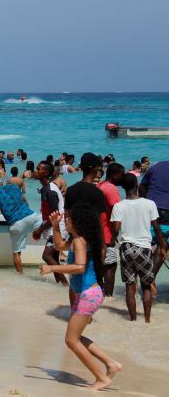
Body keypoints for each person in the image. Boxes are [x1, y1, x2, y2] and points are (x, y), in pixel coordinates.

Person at [40, 207, 122, 391]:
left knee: (71, 340)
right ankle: (111, 365)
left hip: (88, 295)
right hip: (87, 295)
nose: (65, 221)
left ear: (77, 223)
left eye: (67, 219)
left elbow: (79, 267)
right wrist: (55, 226)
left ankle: (101, 377)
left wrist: (52, 268)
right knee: (76, 337)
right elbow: (59, 245)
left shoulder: (79, 242)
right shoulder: (76, 240)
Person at [112, 174, 165, 322]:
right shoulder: (149, 204)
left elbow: (116, 228)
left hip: (126, 247)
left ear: (123, 187)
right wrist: (162, 246)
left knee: (130, 286)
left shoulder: (118, 206)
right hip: (144, 248)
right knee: (146, 285)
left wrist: (112, 239)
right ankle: (147, 320)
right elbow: (156, 227)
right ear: (136, 184)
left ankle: (133, 320)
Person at [64, 153, 109, 291]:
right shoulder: (97, 193)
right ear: (96, 169)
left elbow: (67, 218)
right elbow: (100, 221)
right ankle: (87, 311)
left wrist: (72, 239)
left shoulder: (71, 190)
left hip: (76, 240)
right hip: (93, 241)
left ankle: (74, 311)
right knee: (93, 279)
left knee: (75, 280)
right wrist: (103, 245)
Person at [0, 178, 42, 273]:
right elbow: (25, 201)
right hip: (31, 216)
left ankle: (20, 275)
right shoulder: (14, 186)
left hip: (16, 223)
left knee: (16, 253)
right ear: (1, 183)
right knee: (50, 231)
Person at [32, 161, 69, 286]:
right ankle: (60, 285)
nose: (35, 171)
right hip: (54, 226)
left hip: (58, 227)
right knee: (54, 258)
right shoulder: (46, 188)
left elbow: (55, 215)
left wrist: (39, 230)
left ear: (46, 173)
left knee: (46, 256)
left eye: (38, 169)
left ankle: (65, 284)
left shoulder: (50, 191)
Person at [139, 160, 169, 285]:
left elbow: (141, 186)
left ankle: (141, 278)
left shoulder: (156, 166)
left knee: (147, 241)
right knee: (164, 243)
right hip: (167, 209)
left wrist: (146, 202)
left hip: (150, 209)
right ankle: (150, 278)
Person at [97, 163, 124, 296]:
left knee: (100, 266)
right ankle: (108, 296)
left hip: (98, 233)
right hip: (107, 235)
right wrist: (115, 235)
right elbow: (116, 214)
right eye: (121, 174)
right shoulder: (112, 189)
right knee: (110, 266)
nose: (123, 178)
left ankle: (98, 294)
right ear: (115, 175)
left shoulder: (100, 185)